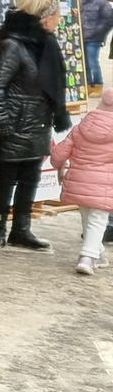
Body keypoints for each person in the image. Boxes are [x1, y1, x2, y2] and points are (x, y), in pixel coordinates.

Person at [0, 0, 70, 251]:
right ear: (45, 17)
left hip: (37, 123)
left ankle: (21, 230)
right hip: (14, 125)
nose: (57, 22)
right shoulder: (11, 45)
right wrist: (3, 124)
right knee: (6, 179)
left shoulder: (46, 46)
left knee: (31, 178)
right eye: (55, 17)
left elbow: (51, 86)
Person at [50, 86, 113, 274]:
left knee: (88, 217)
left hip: (79, 180)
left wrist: (57, 163)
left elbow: (59, 155)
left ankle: (99, 253)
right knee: (98, 219)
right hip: (105, 185)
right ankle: (87, 257)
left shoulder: (80, 128)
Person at [79, 0, 111, 92]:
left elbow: (109, 20)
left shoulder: (102, 3)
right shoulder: (83, 2)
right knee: (85, 62)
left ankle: (97, 84)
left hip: (94, 39)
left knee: (92, 62)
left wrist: (97, 32)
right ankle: (88, 84)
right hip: (83, 37)